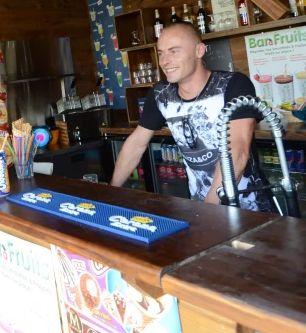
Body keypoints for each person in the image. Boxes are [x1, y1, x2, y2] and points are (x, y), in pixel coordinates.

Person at [110, 22, 271, 211]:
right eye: (161, 53)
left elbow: (237, 151)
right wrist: (111, 192)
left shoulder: (233, 85)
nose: (164, 61)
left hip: (249, 207)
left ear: (199, 51)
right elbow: (136, 144)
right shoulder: (161, 94)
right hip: (200, 206)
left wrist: (210, 210)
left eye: (174, 51)